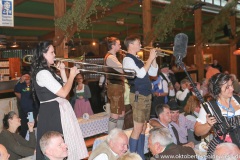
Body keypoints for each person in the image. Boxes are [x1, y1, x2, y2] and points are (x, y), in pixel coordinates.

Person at [31, 41, 88, 160]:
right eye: (52, 52)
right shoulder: (42, 73)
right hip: (52, 112)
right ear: (43, 54)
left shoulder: (48, 71)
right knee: (56, 144)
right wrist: (72, 75)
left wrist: (62, 71)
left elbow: (64, 89)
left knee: (63, 142)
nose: (54, 55)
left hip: (57, 109)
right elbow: (63, 92)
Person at [122, 35, 158, 159]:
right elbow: (141, 74)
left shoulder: (136, 58)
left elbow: (153, 72)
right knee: (137, 128)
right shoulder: (127, 60)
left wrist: (153, 59)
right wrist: (150, 58)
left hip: (146, 95)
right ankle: (131, 157)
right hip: (138, 96)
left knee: (143, 127)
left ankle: (141, 156)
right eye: (138, 43)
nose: (141, 45)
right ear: (131, 45)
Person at [195, 73, 240, 158]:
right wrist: (208, 124)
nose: (232, 88)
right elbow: (197, 132)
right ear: (217, 90)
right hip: (224, 150)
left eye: (231, 85)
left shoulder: (238, 100)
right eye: (227, 87)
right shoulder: (209, 107)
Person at [104, 37, 125, 132]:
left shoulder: (113, 56)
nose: (120, 46)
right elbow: (123, 69)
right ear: (113, 46)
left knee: (121, 113)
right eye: (118, 44)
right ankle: (111, 136)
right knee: (115, 113)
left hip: (117, 87)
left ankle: (119, 133)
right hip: (114, 87)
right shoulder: (111, 57)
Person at [14, 72, 38, 138]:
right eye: (25, 76)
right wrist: (20, 81)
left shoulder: (33, 85)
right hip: (23, 111)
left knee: (31, 125)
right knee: (23, 126)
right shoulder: (21, 85)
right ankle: (24, 139)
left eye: (28, 77)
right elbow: (16, 90)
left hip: (31, 111)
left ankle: (32, 139)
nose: (26, 78)